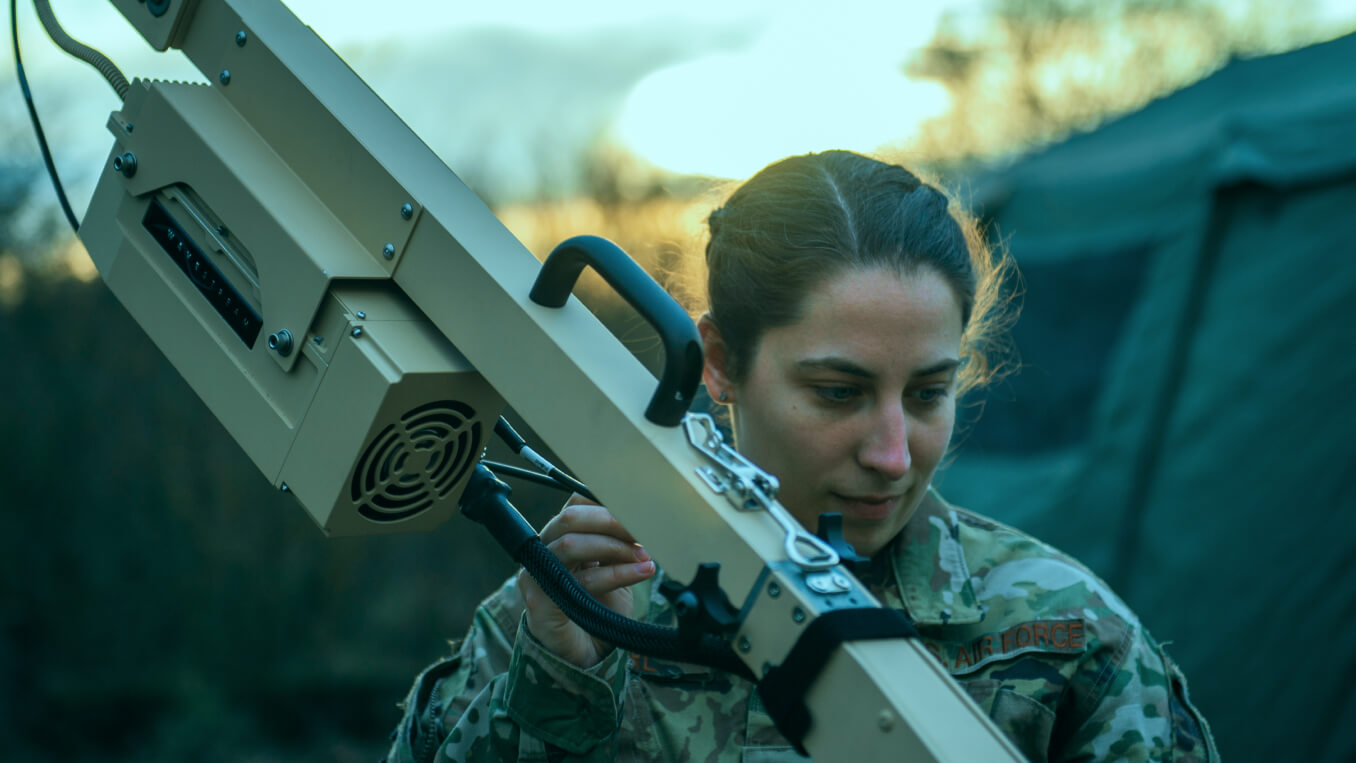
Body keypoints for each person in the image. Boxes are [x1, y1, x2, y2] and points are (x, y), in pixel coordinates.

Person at [383, 150, 1218, 762]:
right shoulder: (568, 614)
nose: (894, 454)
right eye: (838, 391)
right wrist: (555, 694)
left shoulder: (1066, 638)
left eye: (928, 393)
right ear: (717, 361)